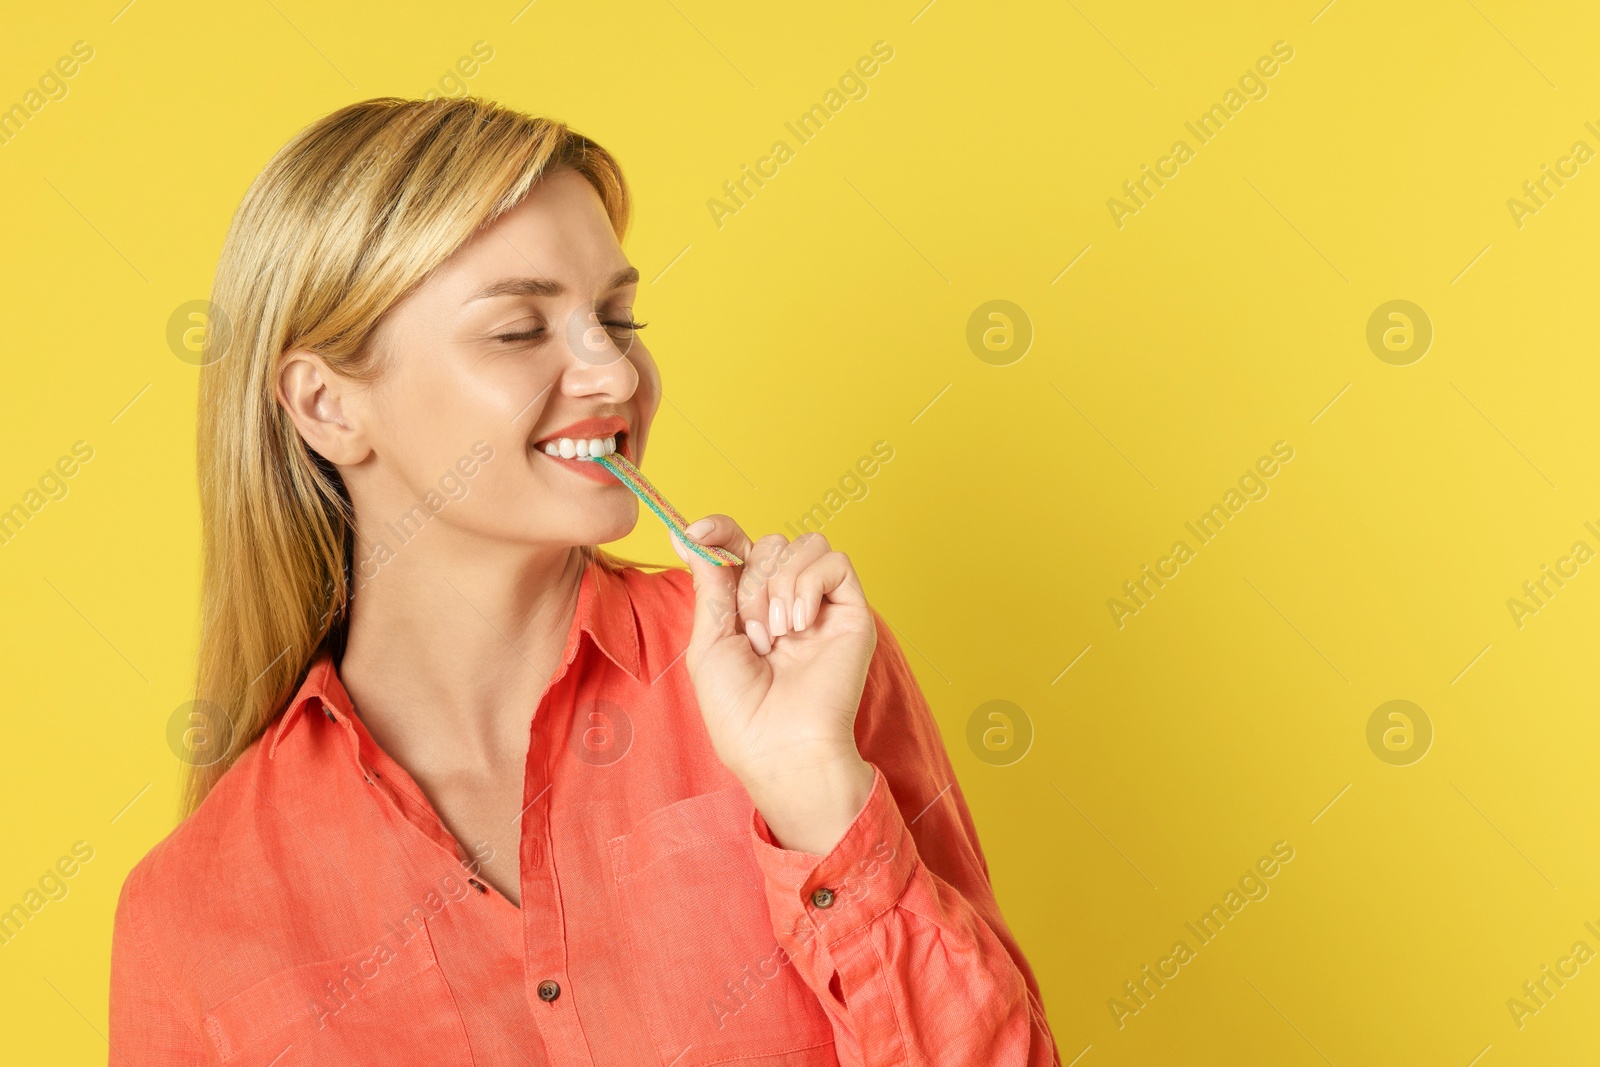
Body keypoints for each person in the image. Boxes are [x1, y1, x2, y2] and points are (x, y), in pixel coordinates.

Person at [108, 96, 1061, 1066]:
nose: (612, 372)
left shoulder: (794, 673)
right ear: (327, 405)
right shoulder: (187, 912)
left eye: (616, 315)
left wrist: (815, 786)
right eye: (521, 329)